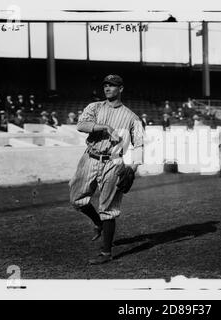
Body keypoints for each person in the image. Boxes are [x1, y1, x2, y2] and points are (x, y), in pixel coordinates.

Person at [69, 74, 144, 265]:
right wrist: (104, 127)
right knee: (76, 199)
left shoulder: (132, 118)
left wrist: (133, 168)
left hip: (114, 162)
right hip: (90, 157)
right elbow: (81, 125)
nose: (108, 88)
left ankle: (106, 253)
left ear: (121, 88)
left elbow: (140, 144)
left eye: (113, 85)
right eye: (106, 85)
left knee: (108, 208)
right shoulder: (94, 107)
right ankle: (97, 222)